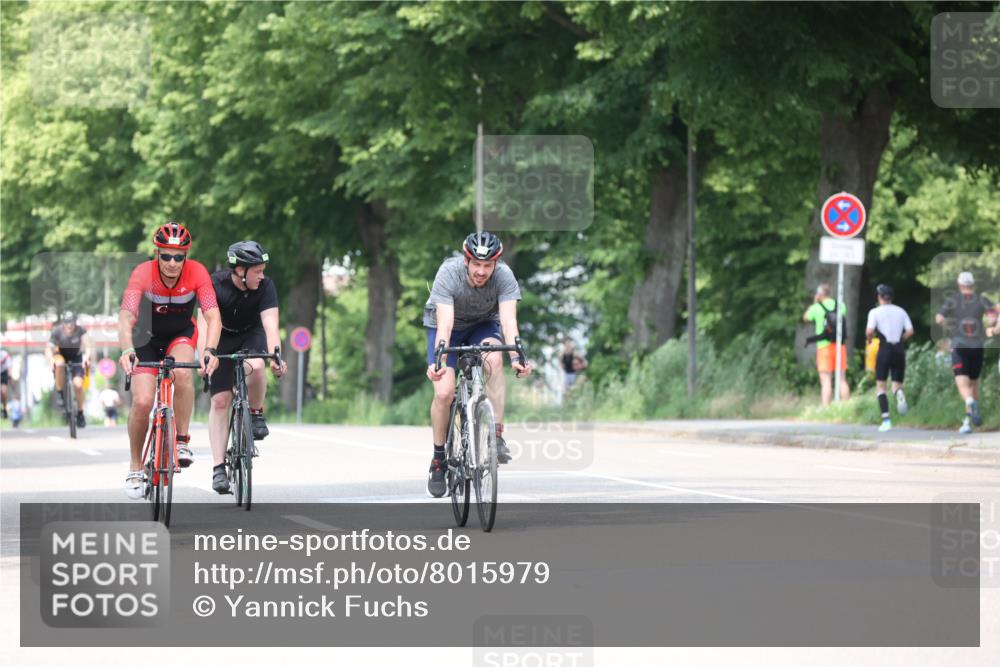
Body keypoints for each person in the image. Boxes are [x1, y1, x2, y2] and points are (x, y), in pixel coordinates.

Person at [424, 231, 532, 498]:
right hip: (447, 327)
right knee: (444, 392)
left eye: (487, 265)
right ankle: (438, 459)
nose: (482, 271)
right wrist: (439, 360)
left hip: (483, 325)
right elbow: (445, 323)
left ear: (495, 263)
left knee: (494, 359)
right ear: (466, 261)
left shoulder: (504, 276)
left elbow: (508, 321)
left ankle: (495, 435)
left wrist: (517, 358)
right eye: (476, 264)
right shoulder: (449, 273)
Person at [117, 221, 221, 499]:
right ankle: (136, 465)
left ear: (186, 256)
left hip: (180, 335)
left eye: (178, 257)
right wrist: (127, 349)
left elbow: (213, 317)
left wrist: (209, 350)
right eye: (166, 256)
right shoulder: (142, 273)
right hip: (146, 338)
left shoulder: (197, 272)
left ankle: (182, 441)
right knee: (142, 401)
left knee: (184, 374)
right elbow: (126, 317)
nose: (172, 263)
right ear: (157, 253)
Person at [203, 241, 286, 495]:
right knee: (220, 401)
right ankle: (218, 468)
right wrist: (205, 356)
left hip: (252, 334)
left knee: (257, 367)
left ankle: (256, 412)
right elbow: (204, 323)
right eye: (257, 270)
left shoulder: (266, 286)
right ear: (240, 270)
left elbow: (271, 325)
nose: (262, 275)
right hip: (221, 337)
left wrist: (276, 355)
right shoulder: (214, 284)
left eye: (263, 270)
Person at [935, 272, 997, 434]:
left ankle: (970, 402)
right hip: (977, 345)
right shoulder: (982, 299)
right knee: (973, 384)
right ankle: (967, 422)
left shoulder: (952, 300)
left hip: (959, 345)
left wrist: (949, 324)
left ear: (959, 284)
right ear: (973, 284)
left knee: (962, 384)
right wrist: (987, 325)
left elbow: (939, 318)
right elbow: (992, 318)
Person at [865, 284, 914, 432]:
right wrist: (901, 339)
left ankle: (886, 420)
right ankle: (899, 394)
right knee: (897, 384)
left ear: (879, 297)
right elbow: (910, 331)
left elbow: (869, 331)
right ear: (891, 297)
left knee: (881, 386)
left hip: (884, 349)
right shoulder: (901, 311)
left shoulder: (875, 312)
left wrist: (869, 339)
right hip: (899, 349)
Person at [802, 283, 850, 405]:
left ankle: (826, 409)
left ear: (819, 294)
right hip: (839, 345)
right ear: (829, 293)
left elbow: (806, 318)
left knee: (826, 381)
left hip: (824, 347)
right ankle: (846, 407)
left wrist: (814, 303)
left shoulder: (816, 307)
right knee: (842, 379)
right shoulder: (840, 305)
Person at [45, 311, 92, 428]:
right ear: (63, 323)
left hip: (76, 357)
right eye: (67, 323)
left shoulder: (81, 330)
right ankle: (60, 392)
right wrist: (51, 361)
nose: (69, 326)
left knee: (78, 385)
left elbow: (87, 345)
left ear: (75, 323)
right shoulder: (57, 331)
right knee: (60, 364)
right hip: (60, 355)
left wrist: (86, 357)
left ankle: (80, 413)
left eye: (71, 323)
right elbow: (48, 349)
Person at [0, 348, 11, 420]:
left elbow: (9, 366)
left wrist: (9, 374)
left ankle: (4, 409)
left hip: (3, 373)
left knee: (3, 391)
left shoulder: (4, 354)